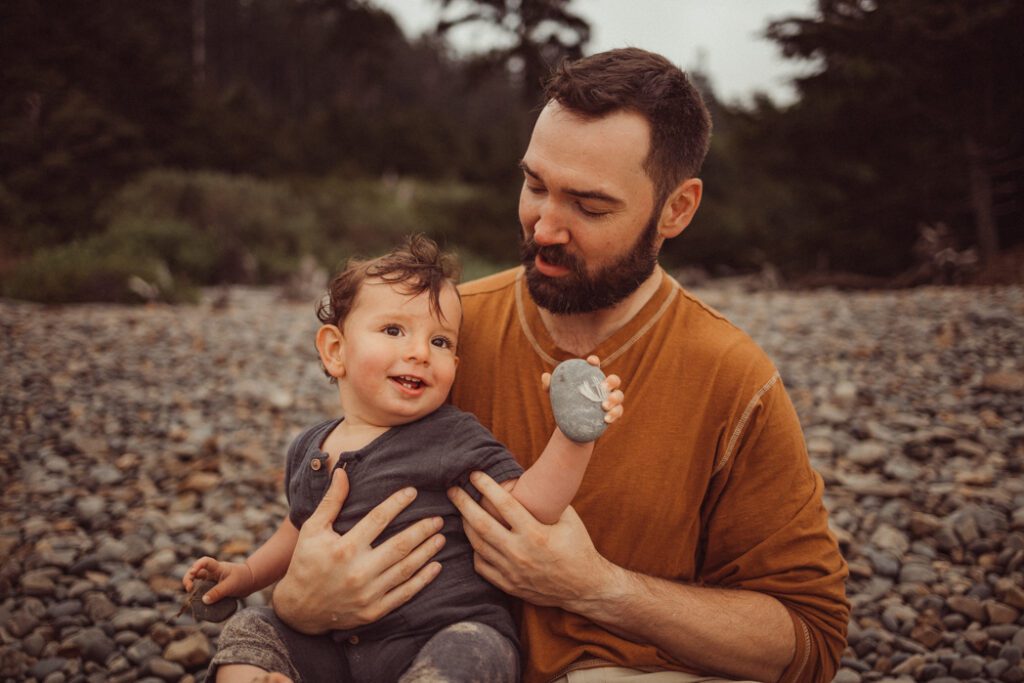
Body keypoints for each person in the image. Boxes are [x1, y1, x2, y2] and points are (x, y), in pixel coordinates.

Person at [271, 47, 850, 683]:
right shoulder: (440, 336)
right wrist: (296, 602)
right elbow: (337, 497)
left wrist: (599, 588)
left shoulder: (731, 379)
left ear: (677, 209)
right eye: (535, 185)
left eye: (590, 206)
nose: (544, 226)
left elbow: (810, 639)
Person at [185, 235, 624, 683]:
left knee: (474, 653)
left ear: (454, 361)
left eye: (439, 340)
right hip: (336, 645)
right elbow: (297, 531)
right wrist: (244, 575)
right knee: (250, 632)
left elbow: (529, 508)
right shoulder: (309, 447)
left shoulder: (452, 435)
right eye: (394, 331)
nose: (418, 351)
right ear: (335, 350)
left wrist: (573, 437)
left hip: (444, 632)